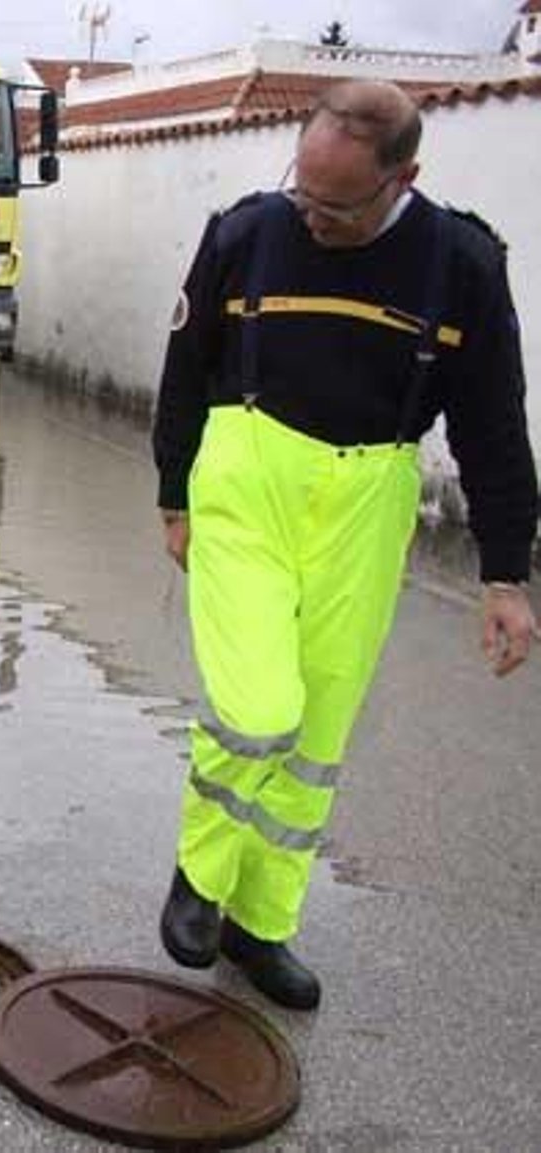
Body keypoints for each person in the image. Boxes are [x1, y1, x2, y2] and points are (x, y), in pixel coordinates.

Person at [153, 80, 537, 1010]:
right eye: (301, 188)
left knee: (317, 733)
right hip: (246, 481)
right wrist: (174, 493)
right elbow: (186, 366)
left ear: (403, 177)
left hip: (367, 502)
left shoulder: (463, 266)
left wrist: (503, 574)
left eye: (335, 203)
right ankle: (199, 878)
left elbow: (493, 425)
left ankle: (261, 923)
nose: (310, 215)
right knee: (257, 706)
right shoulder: (244, 233)